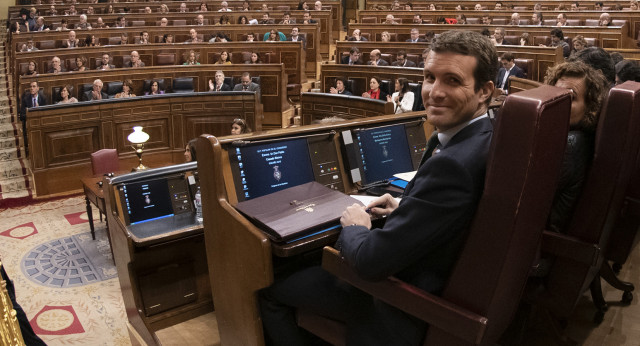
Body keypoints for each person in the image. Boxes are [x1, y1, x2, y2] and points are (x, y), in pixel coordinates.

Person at [259, 30, 497, 346]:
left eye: (452, 80)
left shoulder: (453, 164)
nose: (434, 91)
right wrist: (409, 209)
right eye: (429, 77)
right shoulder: (484, 138)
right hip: (432, 272)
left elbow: (371, 262)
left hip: (400, 303)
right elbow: (454, 216)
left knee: (270, 288)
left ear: (484, 91)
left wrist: (357, 228)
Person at [544, 61, 607, 233]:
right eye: (555, 93)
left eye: (570, 98)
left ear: (590, 107)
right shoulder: (573, 136)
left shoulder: (570, 145)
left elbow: (526, 199)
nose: (557, 102)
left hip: (543, 244)